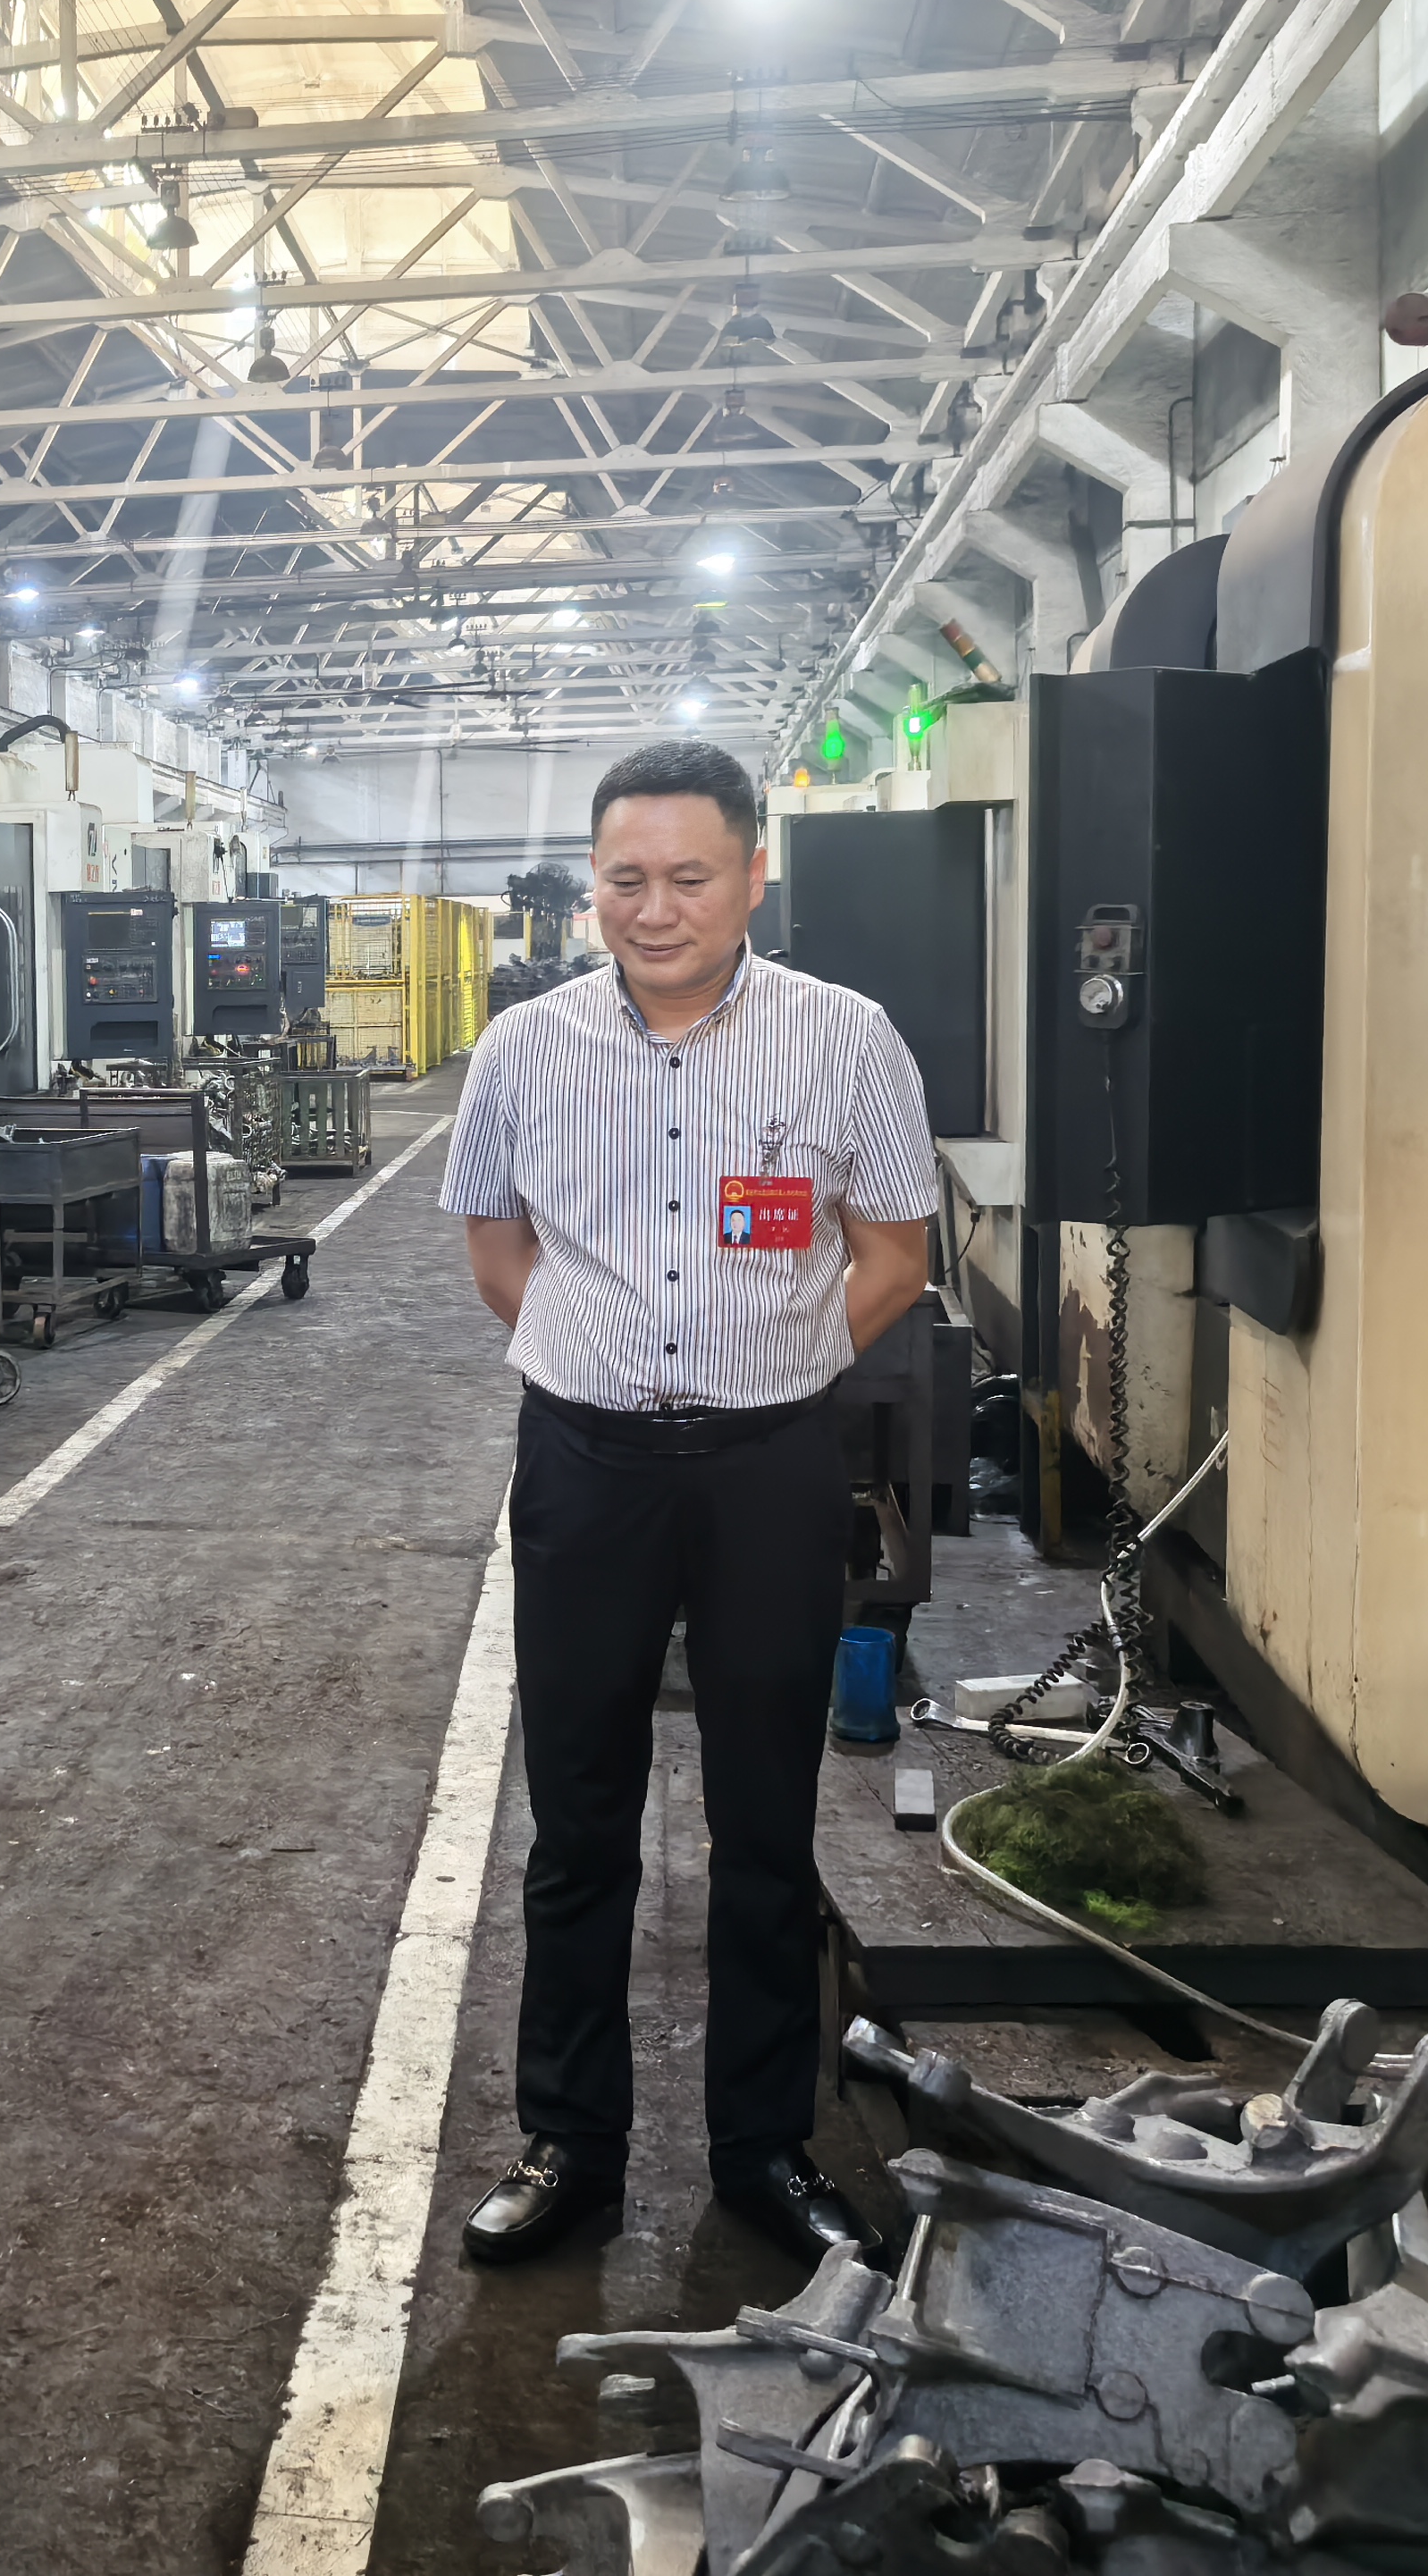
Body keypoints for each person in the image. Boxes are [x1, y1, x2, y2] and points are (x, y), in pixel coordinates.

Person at [439, 737, 936, 2270]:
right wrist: (599, 1365)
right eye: (626, 880)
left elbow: (894, 1253)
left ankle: (762, 2147)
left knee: (765, 1819)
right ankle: (569, 2143)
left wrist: (772, 1366)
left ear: (752, 877)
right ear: (595, 886)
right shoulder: (524, 1049)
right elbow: (496, 1249)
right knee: (577, 1816)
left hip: (769, 1469)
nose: (654, 910)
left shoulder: (843, 1040)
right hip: (584, 1467)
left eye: (689, 877)